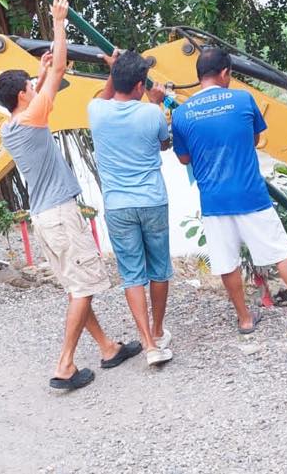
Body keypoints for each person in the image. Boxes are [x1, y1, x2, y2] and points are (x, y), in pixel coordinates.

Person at [0, 0, 142, 390]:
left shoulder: (10, 126)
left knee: (78, 287)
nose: (35, 87)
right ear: (23, 96)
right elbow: (60, 68)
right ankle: (64, 365)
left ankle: (108, 348)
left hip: (44, 219)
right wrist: (58, 22)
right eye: (30, 86)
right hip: (60, 216)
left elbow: (44, 84)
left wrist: (38, 75)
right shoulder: (31, 117)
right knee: (84, 287)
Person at [171, 47, 287, 334]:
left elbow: (184, 158)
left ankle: (245, 319)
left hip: (213, 200)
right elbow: (256, 138)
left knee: (226, 262)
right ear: (225, 72)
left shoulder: (182, 114)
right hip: (250, 194)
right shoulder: (243, 99)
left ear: (199, 76)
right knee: (281, 251)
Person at [87, 49, 174, 367]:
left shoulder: (96, 110)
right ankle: (159, 331)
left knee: (132, 275)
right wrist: (158, 102)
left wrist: (114, 70)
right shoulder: (152, 113)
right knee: (159, 270)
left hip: (118, 206)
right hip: (152, 201)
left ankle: (148, 344)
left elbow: (107, 94)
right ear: (140, 85)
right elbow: (164, 143)